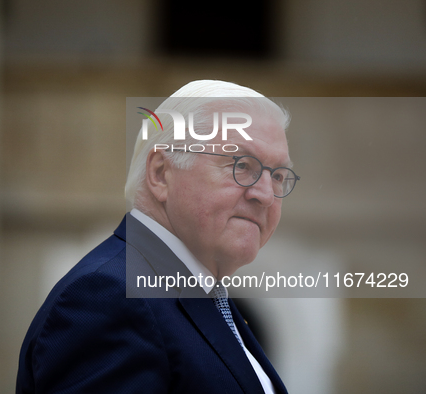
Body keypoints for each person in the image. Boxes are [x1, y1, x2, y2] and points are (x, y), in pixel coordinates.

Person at [16, 80, 298, 393]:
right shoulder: (109, 297)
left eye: (278, 176)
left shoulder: (202, 298)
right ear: (161, 173)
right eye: (242, 165)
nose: (266, 195)